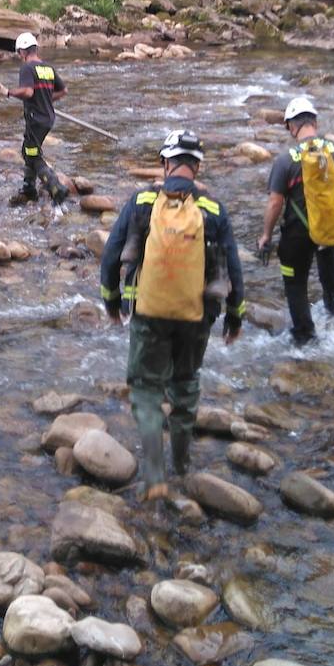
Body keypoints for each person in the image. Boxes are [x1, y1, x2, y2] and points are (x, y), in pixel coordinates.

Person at [100, 130, 245, 501]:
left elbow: (112, 254)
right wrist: (235, 316)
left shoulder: (142, 201)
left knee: (147, 389)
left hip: (149, 311)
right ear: (196, 166)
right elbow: (232, 269)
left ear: (165, 163)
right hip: (198, 315)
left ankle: (154, 475)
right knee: (186, 384)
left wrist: (112, 302)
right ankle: (181, 465)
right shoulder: (213, 209)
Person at [258, 95, 334, 346]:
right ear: (315, 122)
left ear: (291, 126)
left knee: (295, 284)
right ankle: (333, 316)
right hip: (326, 230)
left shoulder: (286, 159)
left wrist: (266, 235)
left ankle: (305, 338)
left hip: (296, 235)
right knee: (328, 274)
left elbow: (275, 203)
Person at [0, 32, 69, 207]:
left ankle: (55, 186)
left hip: (35, 119)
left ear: (22, 51)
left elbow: (28, 92)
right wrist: (45, 98)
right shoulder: (48, 68)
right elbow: (63, 91)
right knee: (28, 150)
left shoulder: (27, 68)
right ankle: (29, 188)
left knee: (33, 155)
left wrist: (8, 92)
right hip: (48, 118)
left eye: (19, 53)